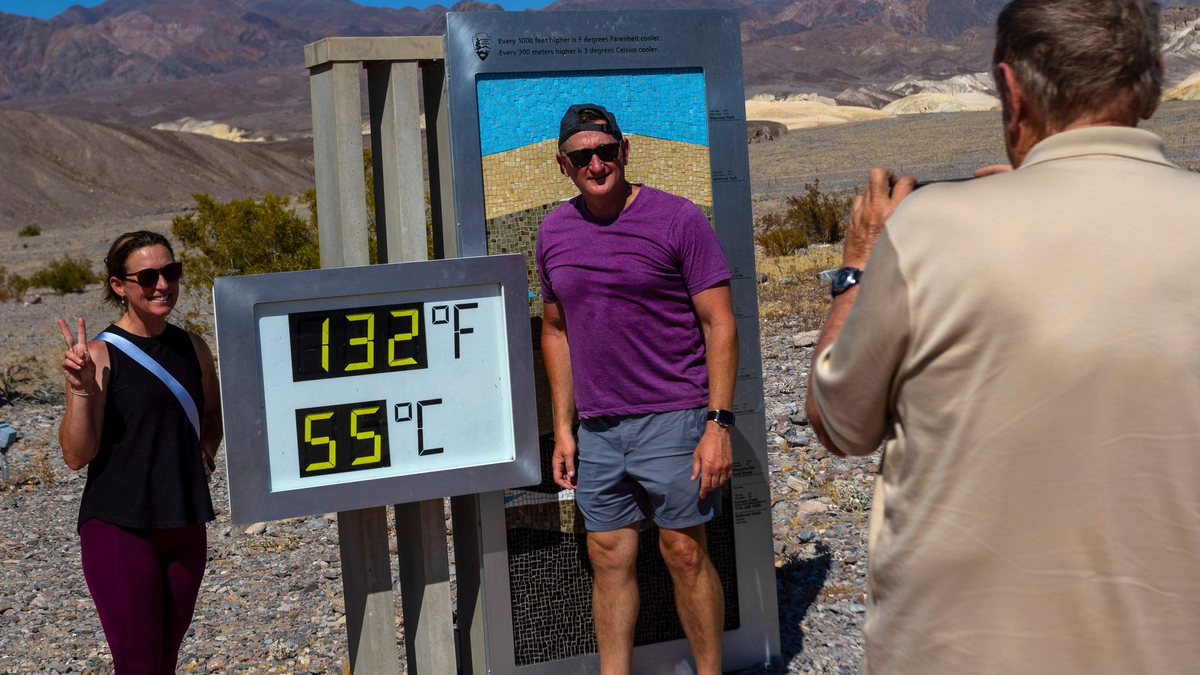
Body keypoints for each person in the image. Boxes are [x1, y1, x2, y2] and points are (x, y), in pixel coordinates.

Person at [805, 1, 1200, 674]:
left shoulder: (931, 231)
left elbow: (837, 421)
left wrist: (857, 270)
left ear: (1011, 93)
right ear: (1156, 80)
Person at [538, 104, 737, 675]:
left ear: (625, 151)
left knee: (683, 551)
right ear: (563, 165)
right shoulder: (552, 232)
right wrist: (564, 429)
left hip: (673, 415)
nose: (596, 163)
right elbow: (555, 331)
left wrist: (717, 425)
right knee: (606, 555)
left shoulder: (677, 219)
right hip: (599, 427)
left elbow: (720, 323)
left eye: (606, 150)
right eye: (582, 156)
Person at [58, 230, 222, 674]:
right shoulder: (99, 355)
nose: (162, 285)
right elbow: (76, 454)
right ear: (119, 286)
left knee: (165, 660)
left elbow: (211, 413)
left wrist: (204, 457)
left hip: (185, 524)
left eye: (170, 272)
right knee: (138, 664)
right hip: (120, 528)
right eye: (147, 277)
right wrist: (81, 389)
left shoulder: (194, 349)